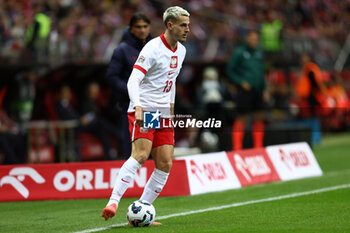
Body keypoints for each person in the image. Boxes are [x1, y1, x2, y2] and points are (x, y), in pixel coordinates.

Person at [101, 6, 190, 224]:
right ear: (170, 25)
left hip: (162, 112)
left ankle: (142, 208)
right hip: (147, 109)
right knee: (141, 155)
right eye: (183, 25)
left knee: (166, 163)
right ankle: (113, 201)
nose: (188, 29)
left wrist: (171, 106)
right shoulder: (152, 48)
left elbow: (171, 82)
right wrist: (138, 106)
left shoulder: (182, 51)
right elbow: (133, 80)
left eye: (188, 25)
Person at [105, 13, 152, 158]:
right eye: (138, 27)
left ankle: (150, 179)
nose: (142, 30)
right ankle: (132, 180)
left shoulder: (154, 48)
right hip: (131, 107)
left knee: (151, 146)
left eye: (145, 26)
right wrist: (131, 91)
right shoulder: (122, 50)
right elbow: (112, 77)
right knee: (133, 148)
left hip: (151, 106)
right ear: (131, 29)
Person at [227, 30, 268, 150]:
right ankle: (237, 148)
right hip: (245, 90)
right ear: (247, 38)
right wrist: (240, 82)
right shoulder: (239, 52)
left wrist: (264, 88)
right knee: (242, 116)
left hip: (258, 90)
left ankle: (258, 147)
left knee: (259, 116)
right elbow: (230, 70)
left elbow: (262, 72)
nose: (254, 41)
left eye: (256, 39)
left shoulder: (259, 53)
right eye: (252, 38)